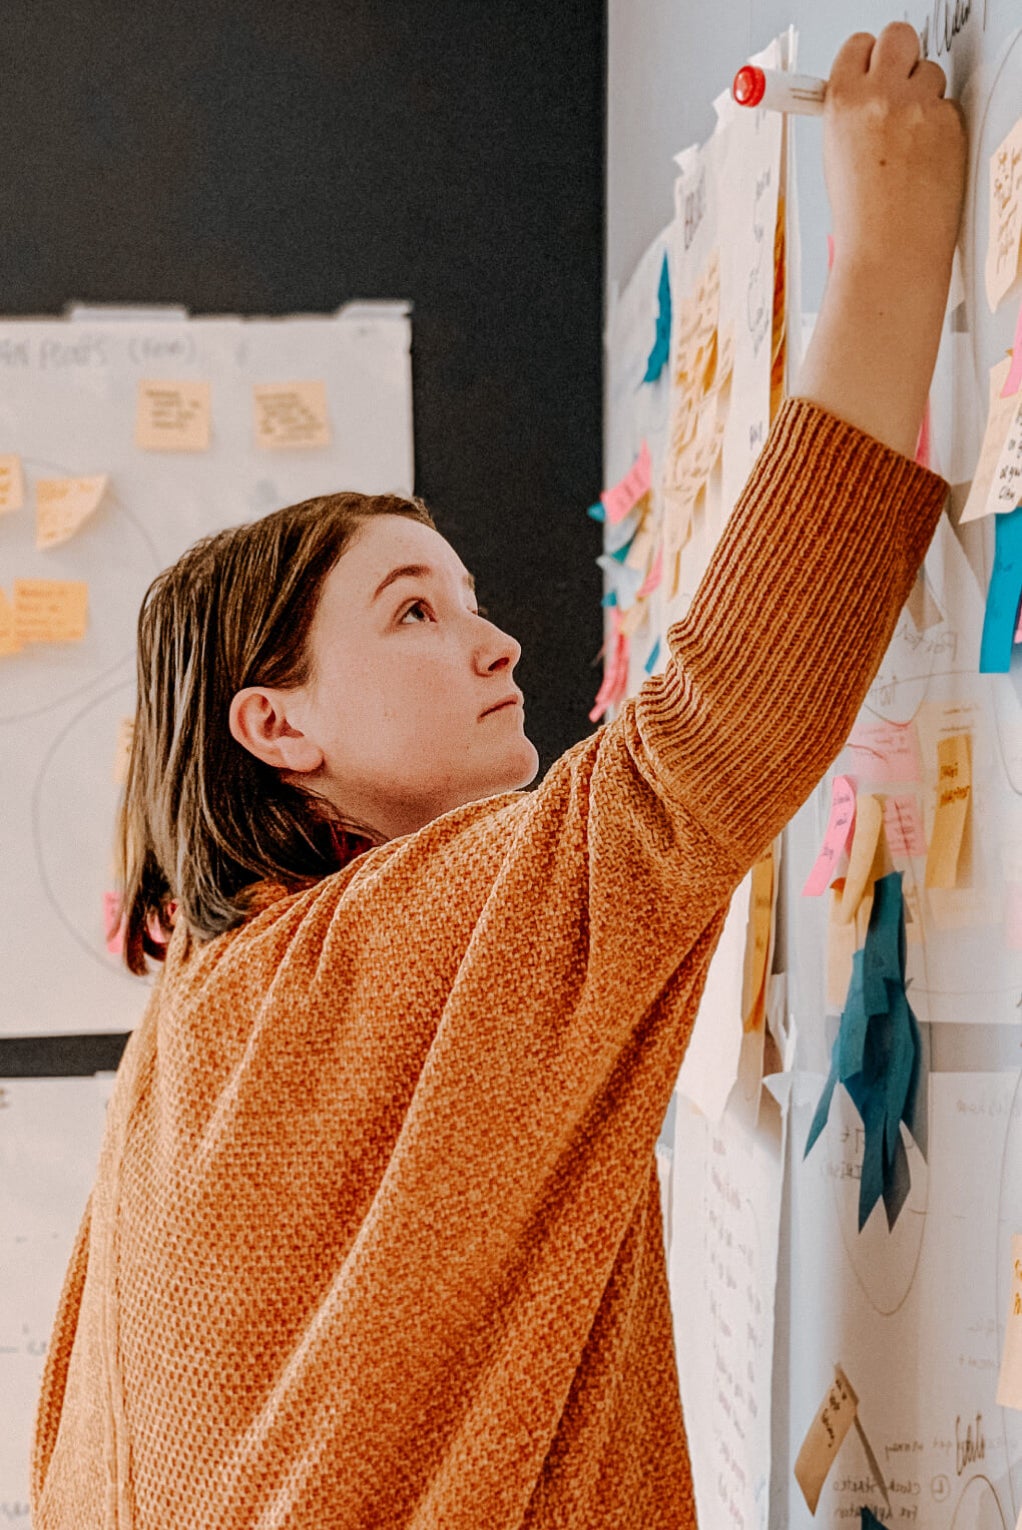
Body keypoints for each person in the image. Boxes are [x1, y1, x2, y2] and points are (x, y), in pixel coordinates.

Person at [30, 24, 964, 1530]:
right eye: (414, 609)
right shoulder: (368, 961)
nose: (499, 642)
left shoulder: (201, 1028)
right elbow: (698, 748)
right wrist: (896, 249)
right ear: (277, 727)